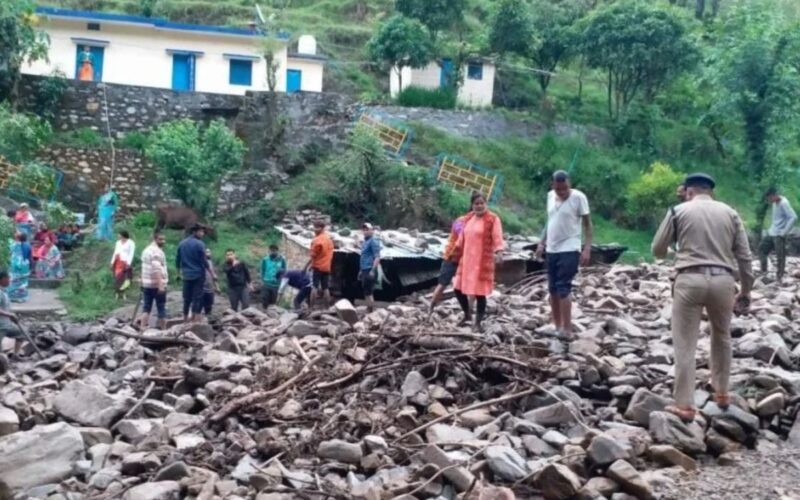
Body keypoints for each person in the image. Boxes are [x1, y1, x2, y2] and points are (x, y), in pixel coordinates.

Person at [652, 173, 754, 423]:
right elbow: (745, 257)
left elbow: (657, 249)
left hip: (689, 279)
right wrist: (746, 290)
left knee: (685, 342)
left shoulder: (677, 211)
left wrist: (674, 251)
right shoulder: (730, 213)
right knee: (722, 335)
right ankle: (722, 393)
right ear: (710, 191)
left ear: (688, 191)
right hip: (723, 281)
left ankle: (685, 405)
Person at [535, 171, 593, 339]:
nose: (562, 192)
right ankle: (557, 326)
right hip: (552, 248)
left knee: (563, 287)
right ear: (552, 185)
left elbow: (588, 225)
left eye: (565, 188)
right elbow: (550, 221)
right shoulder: (550, 196)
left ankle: (567, 330)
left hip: (570, 247)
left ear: (570, 184)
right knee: (552, 288)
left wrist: (587, 248)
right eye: (558, 189)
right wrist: (541, 243)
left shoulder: (579, 198)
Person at [453, 192, 505, 333]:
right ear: (472, 205)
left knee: (479, 293)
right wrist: (454, 251)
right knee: (457, 289)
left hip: (482, 261)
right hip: (467, 260)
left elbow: (497, 237)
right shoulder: (468, 218)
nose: (479, 206)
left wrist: (499, 252)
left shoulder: (492, 219)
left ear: (486, 204)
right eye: (476, 203)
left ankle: (478, 323)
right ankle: (467, 315)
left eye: (482, 203)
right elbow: (461, 238)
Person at [428, 215, 467, 318]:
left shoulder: (476, 223)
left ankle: (468, 311)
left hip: (465, 259)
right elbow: (462, 235)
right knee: (442, 284)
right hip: (451, 257)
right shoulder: (460, 221)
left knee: (467, 285)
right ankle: (431, 307)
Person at [759, 187, 797, 283]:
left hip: (779, 234)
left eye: (769, 198)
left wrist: (784, 232)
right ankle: (763, 272)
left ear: (774, 195)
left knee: (780, 256)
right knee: (761, 249)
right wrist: (770, 229)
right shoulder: (775, 203)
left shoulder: (784, 203)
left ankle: (779, 277)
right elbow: (777, 219)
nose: (769, 200)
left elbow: (793, 217)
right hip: (772, 231)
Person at [176, 225, 209, 322]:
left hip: (186, 275)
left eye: (203, 232)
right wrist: (212, 273)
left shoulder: (182, 243)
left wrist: (178, 273)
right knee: (197, 298)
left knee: (186, 298)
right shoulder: (200, 244)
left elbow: (178, 260)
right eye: (201, 232)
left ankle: (185, 319)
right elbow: (204, 261)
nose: (202, 234)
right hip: (198, 274)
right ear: (194, 232)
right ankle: (195, 320)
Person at [139, 232, 168, 331]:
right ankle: (164, 330)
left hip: (147, 284)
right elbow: (156, 269)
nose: (163, 241)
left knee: (146, 307)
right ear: (155, 239)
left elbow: (143, 267)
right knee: (161, 307)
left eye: (164, 239)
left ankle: (142, 328)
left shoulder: (146, 250)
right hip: (156, 284)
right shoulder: (156, 252)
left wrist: (142, 281)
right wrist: (160, 285)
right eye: (160, 239)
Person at [0, 269, 25, 373]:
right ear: (2, 279)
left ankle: (15, 355)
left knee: (21, 333)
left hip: (7, 324)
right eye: (8, 278)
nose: (10, 280)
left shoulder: (4, 291)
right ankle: (3, 372)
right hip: (0, 326)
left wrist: (10, 316)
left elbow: (4, 308)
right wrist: (9, 315)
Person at [306, 220, 334, 308]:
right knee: (325, 288)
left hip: (317, 267)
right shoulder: (329, 239)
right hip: (327, 267)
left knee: (314, 286)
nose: (314, 229)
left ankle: (311, 307)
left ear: (321, 228)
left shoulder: (317, 240)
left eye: (316, 227)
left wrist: (306, 266)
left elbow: (313, 256)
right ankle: (327, 307)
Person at [359, 223, 382, 313]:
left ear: (371, 231)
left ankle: (371, 311)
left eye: (367, 230)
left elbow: (377, 257)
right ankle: (369, 308)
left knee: (369, 291)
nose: (365, 231)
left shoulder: (373, 241)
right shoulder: (365, 241)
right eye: (364, 230)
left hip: (369, 269)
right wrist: (361, 270)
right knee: (366, 290)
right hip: (364, 269)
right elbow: (363, 256)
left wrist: (373, 270)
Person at [111, 230, 136, 300]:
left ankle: (124, 293)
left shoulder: (131, 243)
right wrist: (112, 262)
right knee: (117, 278)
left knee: (124, 279)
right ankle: (117, 293)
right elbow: (115, 252)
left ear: (123, 235)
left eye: (119, 235)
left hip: (125, 262)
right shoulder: (118, 242)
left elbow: (131, 254)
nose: (118, 236)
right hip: (117, 261)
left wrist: (128, 263)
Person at [8, 234, 31, 303]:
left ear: (17, 238)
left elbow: (9, 253)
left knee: (14, 281)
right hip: (24, 265)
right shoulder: (27, 245)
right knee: (23, 282)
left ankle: (13, 297)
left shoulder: (13, 245)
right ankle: (22, 297)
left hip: (14, 264)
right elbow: (29, 256)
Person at [202, 249, 219, 316]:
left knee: (210, 305)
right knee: (203, 304)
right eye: (206, 252)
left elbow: (214, 276)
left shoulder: (211, 263)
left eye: (209, 252)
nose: (208, 253)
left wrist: (217, 287)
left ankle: (209, 317)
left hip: (211, 287)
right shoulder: (201, 262)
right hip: (202, 287)